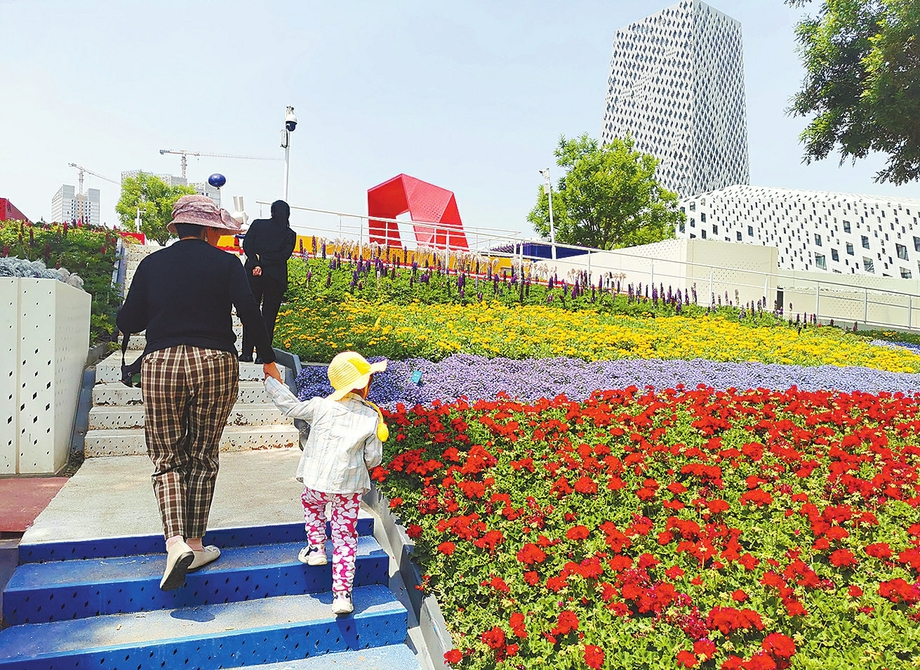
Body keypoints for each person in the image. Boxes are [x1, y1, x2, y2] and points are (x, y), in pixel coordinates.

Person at [117, 195, 283, 591]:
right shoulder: (226, 263)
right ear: (211, 231)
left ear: (176, 229)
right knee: (203, 454)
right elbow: (250, 313)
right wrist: (268, 359)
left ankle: (175, 542)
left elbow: (129, 319)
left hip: (163, 363)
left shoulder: (152, 263)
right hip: (215, 362)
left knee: (167, 456)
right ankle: (196, 541)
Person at [263, 351, 388, 615]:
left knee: (311, 503)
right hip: (349, 489)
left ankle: (316, 546)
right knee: (345, 538)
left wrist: (271, 382)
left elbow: (290, 407)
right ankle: (342, 595)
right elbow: (373, 458)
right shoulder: (371, 417)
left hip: (317, 481)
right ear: (364, 384)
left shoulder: (321, 406)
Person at [240, 200, 297, 362]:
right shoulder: (289, 234)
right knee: (268, 316)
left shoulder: (258, 225)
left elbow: (247, 245)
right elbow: (283, 255)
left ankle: (246, 353)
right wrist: (264, 262)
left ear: (272, 212)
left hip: (253, 273)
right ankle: (262, 355)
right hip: (275, 278)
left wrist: (257, 262)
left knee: (251, 313)